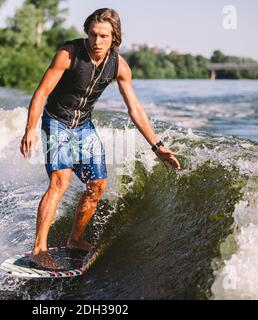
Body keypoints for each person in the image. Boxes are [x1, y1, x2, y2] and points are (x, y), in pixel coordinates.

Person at [19, 8, 181, 270]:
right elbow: (41, 92)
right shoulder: (68, 54)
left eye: (104, 36)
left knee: (97, 185)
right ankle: (39, 250)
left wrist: (157, 146)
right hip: (57, 121)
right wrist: (30, 129)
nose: (97, 41)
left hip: (83, 126)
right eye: (93, 34)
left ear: (114, 37)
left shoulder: (119, 65)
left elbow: (135, 110)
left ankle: (75, 239)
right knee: (61, 181)